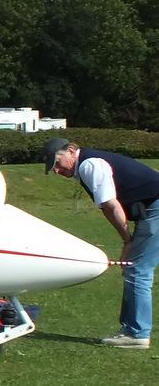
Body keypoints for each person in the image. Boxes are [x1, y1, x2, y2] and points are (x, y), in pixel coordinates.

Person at [45, 138, 159, 349]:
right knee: (134, 270)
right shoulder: (89, 163)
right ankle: (131, 330)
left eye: (57, 163)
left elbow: (110, 205)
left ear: (71, 151)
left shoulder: (90, 165)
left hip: (156, 207)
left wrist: (127, 241)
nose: (57, 171)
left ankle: (137, 334)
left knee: (138, 270)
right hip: (152, 207)